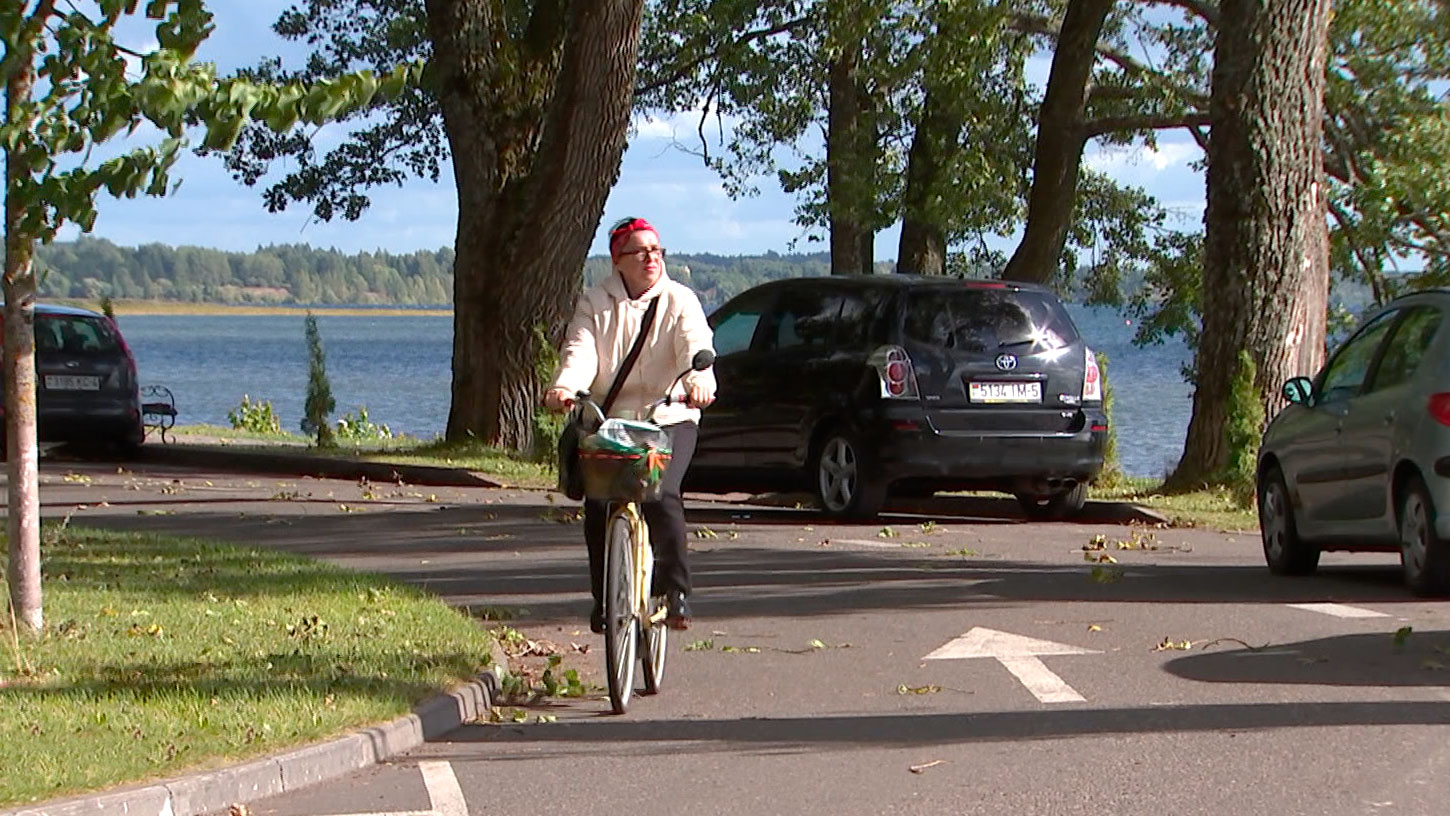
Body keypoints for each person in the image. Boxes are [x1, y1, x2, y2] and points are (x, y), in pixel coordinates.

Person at [544, 216, 717, 632]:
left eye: (656, 250)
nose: (651, 258)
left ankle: (675, 592)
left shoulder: (680, 301)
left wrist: (697, 383)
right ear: (617, 260)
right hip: (612, 421)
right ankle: (605, 601)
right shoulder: (594, 303)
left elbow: (697, 344)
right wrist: (565, 388)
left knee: (662, 494)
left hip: (668, 414)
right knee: (600, 503)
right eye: (640, 252)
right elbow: (579, 351)